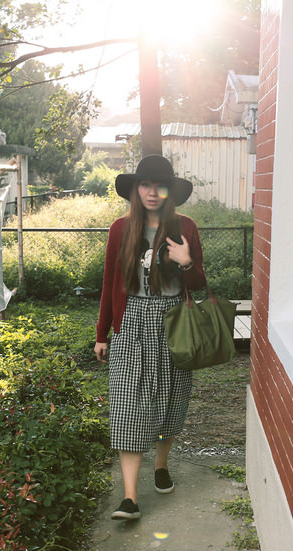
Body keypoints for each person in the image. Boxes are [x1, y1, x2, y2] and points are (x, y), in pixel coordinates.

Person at [94, 155, 206, 520]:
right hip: (131, 323)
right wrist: (102, 333)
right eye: (145, 185)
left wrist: (186, 262)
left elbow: (200, 287)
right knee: (128, 405)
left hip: (174, 321)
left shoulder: (185, 227)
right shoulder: (120, 229)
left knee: (172, 402)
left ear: (169, 191)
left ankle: (161, 465)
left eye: (160, 186)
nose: (152, 192)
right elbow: (111, 282)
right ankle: (130, 497)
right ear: (136, 190)